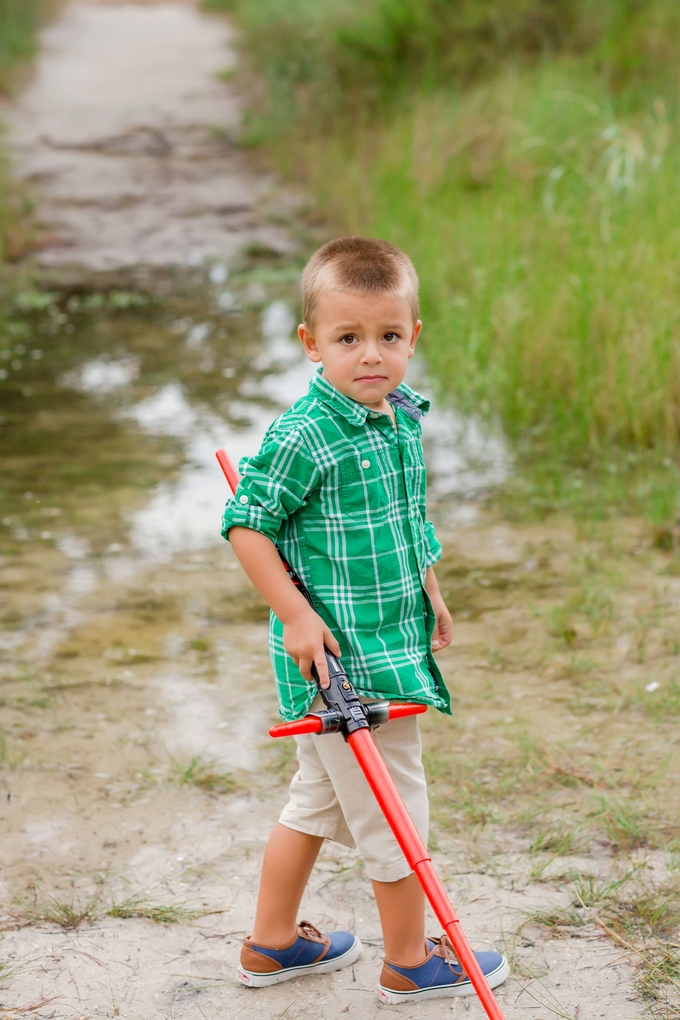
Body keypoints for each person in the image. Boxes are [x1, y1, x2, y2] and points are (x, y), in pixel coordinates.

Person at [221, 236, 509, 1003]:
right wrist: (296, 618)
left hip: (391, 635)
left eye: (388, 336)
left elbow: (405, 520)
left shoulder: (400, 417)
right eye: (348, 339)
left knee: (313, 801)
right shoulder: (305, 434)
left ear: (413, 336)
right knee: (396, 813)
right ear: (312, 343)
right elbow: (247, 523)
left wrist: (431, 588)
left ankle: (272, 945)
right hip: (345, 665)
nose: (371, 356)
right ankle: (411, 961)